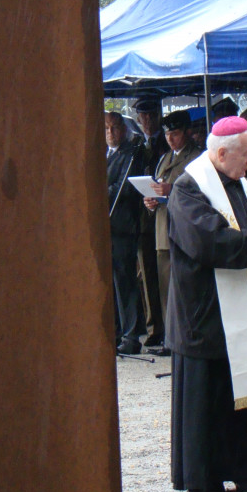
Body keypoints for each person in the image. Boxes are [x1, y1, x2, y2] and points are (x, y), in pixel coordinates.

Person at [166, 116, 247, 492]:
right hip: (204, 315)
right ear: (222, 153)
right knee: (209, 396)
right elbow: (210, 242)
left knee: (246, 392)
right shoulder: (188, 188)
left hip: (244, 308)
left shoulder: (240, 182)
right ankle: (204, 477)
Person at [143, 110, 203, 354]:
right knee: (166, 286)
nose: (170, 138)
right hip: (162, 228)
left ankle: (185, 336)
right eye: (168, 133)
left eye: (175, 133)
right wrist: (151, 201)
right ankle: (171, 337)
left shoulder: (196, 157)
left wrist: (170, 191)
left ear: (186, 133)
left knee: (185, 286)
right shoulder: (164, 158)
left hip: (183, 228)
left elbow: (199, 192)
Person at [105, 112, 146, 354]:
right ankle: (116, 333)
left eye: (115, 128)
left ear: (124, 128)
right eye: (107, 128)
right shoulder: (104, 153)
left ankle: (131, 336)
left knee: (125, 281)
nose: (111, 133)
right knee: (111, 283)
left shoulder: (132, 153)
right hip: (106, 228)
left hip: (123, 226)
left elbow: (125, 187)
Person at [134, 99, 169, 349]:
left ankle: (164, 327)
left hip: (162, 216)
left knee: (163, 275)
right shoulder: (136, 144)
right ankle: (152, 326)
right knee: (146, 274)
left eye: (151, 115)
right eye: (142, 116)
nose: (147, 120)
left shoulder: (163, 145)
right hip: (141, 215)